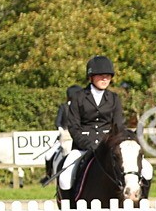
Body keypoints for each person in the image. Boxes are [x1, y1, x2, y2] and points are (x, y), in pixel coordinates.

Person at [54, 56, 126, 191]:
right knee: (64, 177)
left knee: (144, 169)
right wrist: (88, 145)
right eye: (101, 76)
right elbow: (74, 127)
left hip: (107, 148)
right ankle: (69, 206)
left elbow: (118, 126)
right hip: (83, 148)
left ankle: (137, 200)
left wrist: (113, 144)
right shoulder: (78, 97)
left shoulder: (114, 98)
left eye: (108, 76)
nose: (105, 79)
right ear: (91, 77)